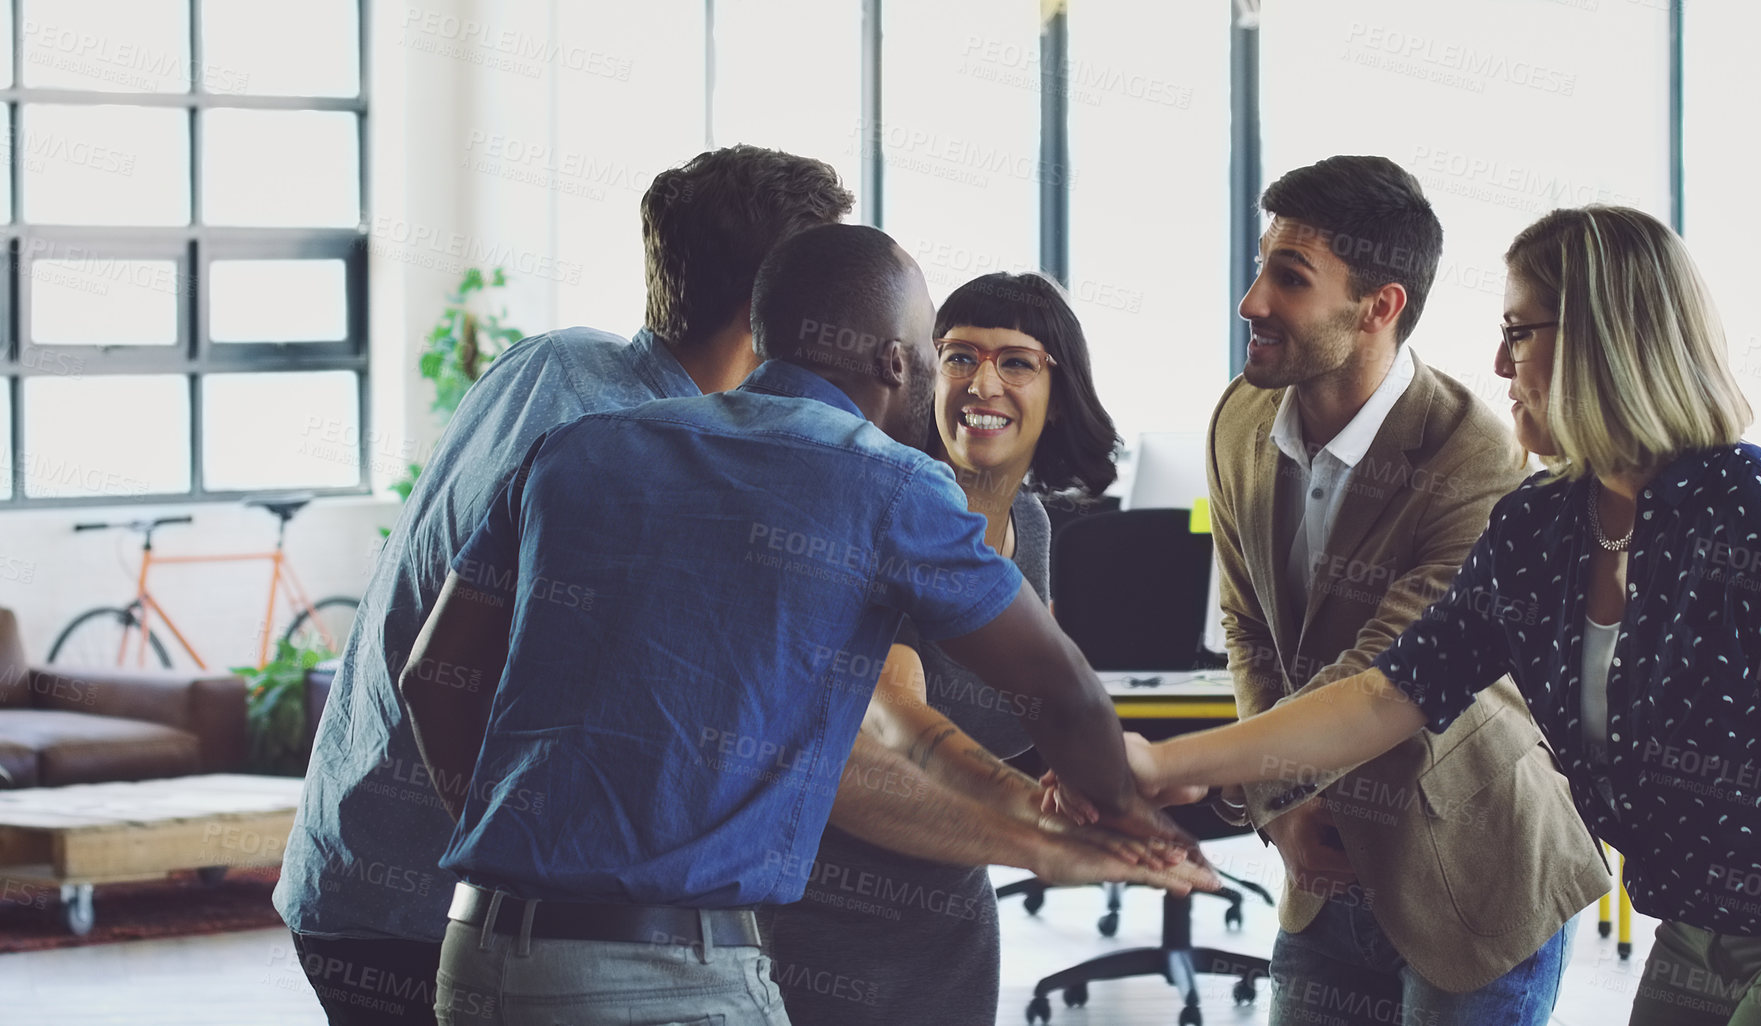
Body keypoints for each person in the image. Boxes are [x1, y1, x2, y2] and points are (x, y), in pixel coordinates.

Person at [1111, 205, 1761, 1026]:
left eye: (1518, 333)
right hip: (1695, 925)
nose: (1499, 365)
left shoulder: (1755, 514)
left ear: (1602, 340)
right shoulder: (1541, 524)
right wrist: (1165, 760)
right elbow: (1383, 695)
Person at [401, 224, 1207, 1026]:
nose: (949, 371)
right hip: (671, 971)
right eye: (937, 346)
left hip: (480, 955)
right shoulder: (887, 484)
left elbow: (433, 679)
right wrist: (1117, 819)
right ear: (898, 361)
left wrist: (520, 851)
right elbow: (1057, 689)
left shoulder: (572, 449)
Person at [274, 145, 855, 1025]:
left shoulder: (550, 361)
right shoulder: (627, 448)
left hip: (346, 871)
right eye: (832, 295)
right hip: (430, 917)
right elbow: (451, 679)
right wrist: (522, 890)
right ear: (768, 309)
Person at [1203, 154, 1607, 1026]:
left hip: (1471, 873)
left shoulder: (1475, 457)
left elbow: (1382, 670)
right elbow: (1246, 623)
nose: (1252, 302)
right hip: (1319, 860)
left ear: (1378, 307)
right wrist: (1287, 814)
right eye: (1259, 265)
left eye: (1289, 277)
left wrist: (1258, 791)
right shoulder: (1239, 418)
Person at [761, 270, 1135, 1025]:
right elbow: (895, 728)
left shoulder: (1029, 525)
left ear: (1057, 393)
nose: (980, 383)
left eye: (1015, 362)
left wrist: (1084, 768)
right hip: (823, 917)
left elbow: (1033, 697)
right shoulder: (893, 509)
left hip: (949, 913)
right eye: (959, 356)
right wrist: (1044, 825)